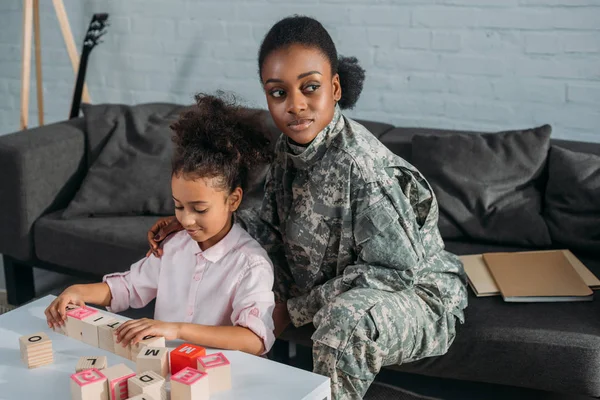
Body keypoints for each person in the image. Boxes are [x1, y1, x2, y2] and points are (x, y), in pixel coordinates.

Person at [148, 16, 468, 399]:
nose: (295, 106)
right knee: (234, 263)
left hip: (417, 295)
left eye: (310, 88)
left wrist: (296, 308)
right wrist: (194, 221)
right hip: (334, 281)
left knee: (343, 323)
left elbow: (394, 273)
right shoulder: (290, 149)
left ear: (334, 88)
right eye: (279, 93)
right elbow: (268, 227)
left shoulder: (363, 169)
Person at [45, 94, 276, 356]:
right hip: (162, 368)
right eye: (178, 206)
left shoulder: (250, 265)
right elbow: (128, 287)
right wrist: (77, 290)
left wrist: (176, 330)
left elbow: (255, 339)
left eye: (199, 209)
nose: (186, 220)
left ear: (233, 199)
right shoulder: (175, 246)